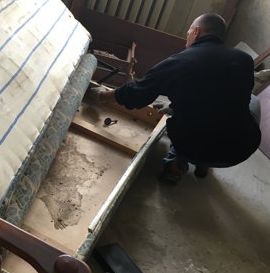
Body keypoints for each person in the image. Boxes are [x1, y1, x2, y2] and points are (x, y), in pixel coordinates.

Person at [89, 13, 262, 184]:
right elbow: (225, 96)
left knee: (188, 120)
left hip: (192, 147)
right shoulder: (244, 60)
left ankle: (176, 163)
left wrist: (102, 96)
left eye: (188, 34)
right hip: (238, 150)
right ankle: (203, 166)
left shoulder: (180, 61)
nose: (186, 40)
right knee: (252, 102)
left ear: (196, 32)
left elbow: (136, 93)